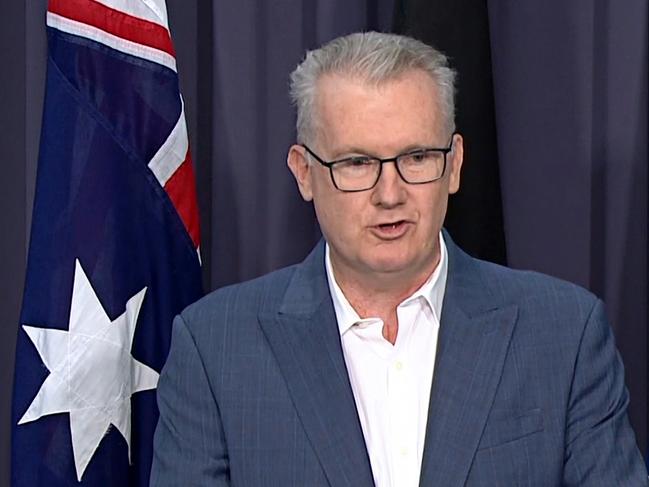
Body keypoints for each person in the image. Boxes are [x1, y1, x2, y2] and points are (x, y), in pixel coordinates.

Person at [150, 32, 647, 486]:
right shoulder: (215, 349)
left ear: (454, 165)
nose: (391, 193)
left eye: (416, 158)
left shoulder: (564, 334)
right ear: (304, 173)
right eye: (358, 163)